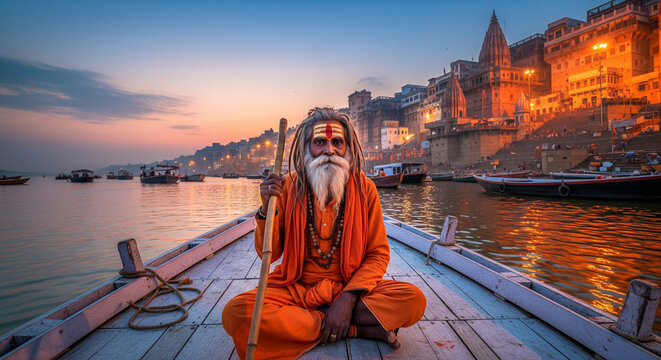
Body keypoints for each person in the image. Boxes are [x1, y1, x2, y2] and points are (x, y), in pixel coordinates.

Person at [222, 108, 426, 359]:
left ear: (346, 147)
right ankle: (351, 328)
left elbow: (378, 255)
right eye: (320, 142)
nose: (329, 150)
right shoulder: (288, 187)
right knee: (236, 312)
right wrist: (266, 209)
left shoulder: (366, 189)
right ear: (307, 148)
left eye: (336, 142)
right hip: (296, 288)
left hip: (349, 286)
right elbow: (270, 253)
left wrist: (347, 300)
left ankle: (318, 323)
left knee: (413, 299)